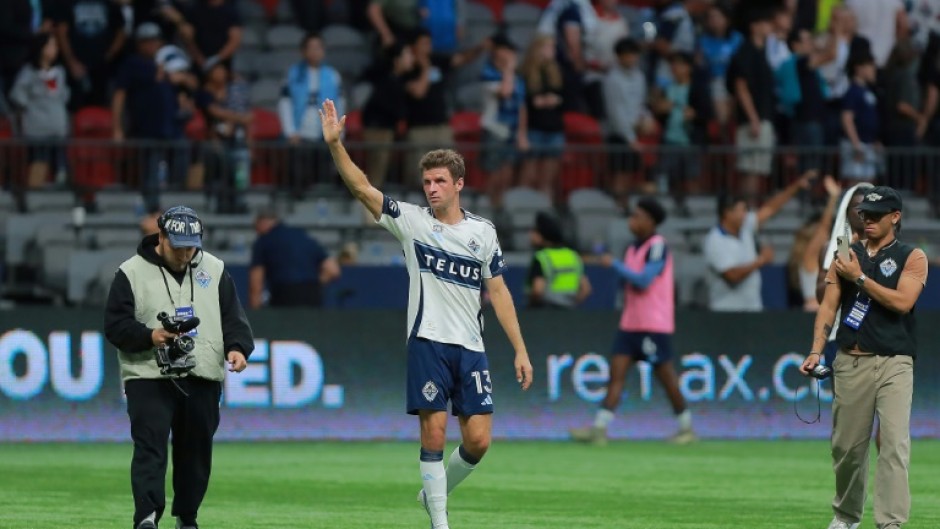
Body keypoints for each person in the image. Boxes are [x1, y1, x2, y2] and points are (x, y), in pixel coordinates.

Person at [319, 99, 533, 529]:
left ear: (459, 184)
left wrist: (520, 350)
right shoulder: (412, 222)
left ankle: (432, 494)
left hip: (470, 347)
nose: (431, 189)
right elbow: (363, 189)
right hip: (428, 341)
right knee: (433, 434)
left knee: (479, 441)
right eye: (427, 182)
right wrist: (336, 146)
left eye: (439, 181)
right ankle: (440, 522)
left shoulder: (483, 232)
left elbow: (498, 291)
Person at [103, 205, 254, 529]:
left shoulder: (215, 268)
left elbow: (233, 318)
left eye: (191, 247)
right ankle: (146, 516)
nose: (185, 254)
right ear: (161, 236)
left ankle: (187, 517)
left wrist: (238, 348)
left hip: (202, 373)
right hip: (148, 373)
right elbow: (115, 327)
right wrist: (150, 336)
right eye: (178, 246)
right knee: (150, 446)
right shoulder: (130, 272)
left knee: (196, 452)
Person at [800, 186, 928, 529]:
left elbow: (903, 302)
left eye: (875, 215)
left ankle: (890, 523)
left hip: (895, 362)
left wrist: (858, 276)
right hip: (850, 360)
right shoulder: (845, 252)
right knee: (846, 449)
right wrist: (815, 350)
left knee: (894, 444)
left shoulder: (912, 256)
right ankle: (846, 516)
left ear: (895, 217)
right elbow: (828, 305)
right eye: (864, 214)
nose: (867, 220)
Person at [570, 197, 695, 445]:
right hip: (630, 323)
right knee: (616, 374)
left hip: (652, 323)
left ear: (650, 221)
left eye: (637, 216)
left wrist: (614, 264)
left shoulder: (657, 246)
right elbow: (628, 282)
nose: (632, 221)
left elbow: (644, 280)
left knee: (666, 377)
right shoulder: (631, 248)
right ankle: (599, 429)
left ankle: (686, 428)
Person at [703, 170, 815, 311]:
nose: (745, 215)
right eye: (741, 210)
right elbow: (732, 276)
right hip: (726, 312)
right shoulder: (715, 241)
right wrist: (761, 260)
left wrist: (796, 186)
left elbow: (770, 209)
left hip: (753, 309)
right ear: (727, 213)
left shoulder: (745, 227)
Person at [9, 32, 70, 188]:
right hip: (37, 127)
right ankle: (34, 192)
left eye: (55, 45)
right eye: (50, 45)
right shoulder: (29, 72)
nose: (54, 49)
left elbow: (63, 95)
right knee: (39, 160)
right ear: (40, 48)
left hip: (57, 126)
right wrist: (31, 105)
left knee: (60, 165)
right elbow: (18, 94)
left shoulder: (59, 72)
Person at [248, 209, 341, 309]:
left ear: (262, 223)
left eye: (256, 227)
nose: (256, 231)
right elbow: (333, 270)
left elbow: (256, 282)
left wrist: (255, 310)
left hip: (284, 295)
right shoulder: (302, 236)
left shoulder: (263, 241)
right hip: (312, 295)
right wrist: (315, 285)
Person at [526, 211, 591, 308]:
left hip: (545, 310)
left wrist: (531, 304)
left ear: (541, 235)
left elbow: (538, 290)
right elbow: (586, 289)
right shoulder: (572, 255)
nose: (530, 235)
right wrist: (570, 304)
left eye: (534, 232)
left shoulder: (541, 257)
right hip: (569, 310)